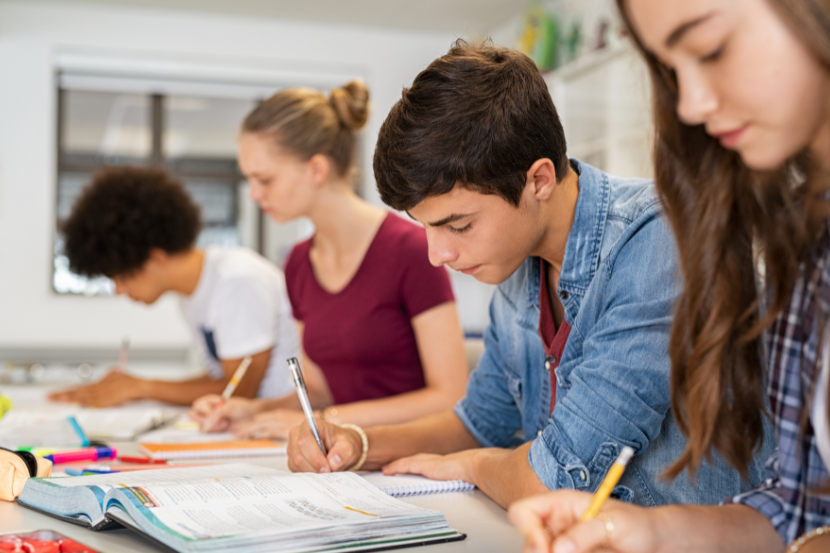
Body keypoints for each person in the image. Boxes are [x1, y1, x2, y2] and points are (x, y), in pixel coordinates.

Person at [286, 43, 771, 510]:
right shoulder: (520, 264)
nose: (437, 254)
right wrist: (358, 443)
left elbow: (554, 480)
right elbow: (479, 424)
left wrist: (476, 465)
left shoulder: (658, 240)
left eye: (458, 225)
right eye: (426, 227)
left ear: (538, 180)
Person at [508, 1, 830, 552]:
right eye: (671, 71)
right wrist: (650, 531)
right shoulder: (804, 249)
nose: (692, 104)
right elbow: (803, 509)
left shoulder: (646, 238)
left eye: (712, 49)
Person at [190, 81, 469, 438]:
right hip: (342, 455)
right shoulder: (298, 263)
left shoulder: (412, 250)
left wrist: (327, 420)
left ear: (316, 169)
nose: (254, 194)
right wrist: (254, 410)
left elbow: (449, 396)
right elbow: (321, 392)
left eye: (264, 180)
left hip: (413, 453)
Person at [50, 167, 299, 407]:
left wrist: (140, 387)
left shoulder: (237, 280)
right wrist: (133, 386)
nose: (119, 291)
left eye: (122, 278)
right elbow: (222, 378)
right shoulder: (192, 295)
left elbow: (239, 390)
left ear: (156, 258)